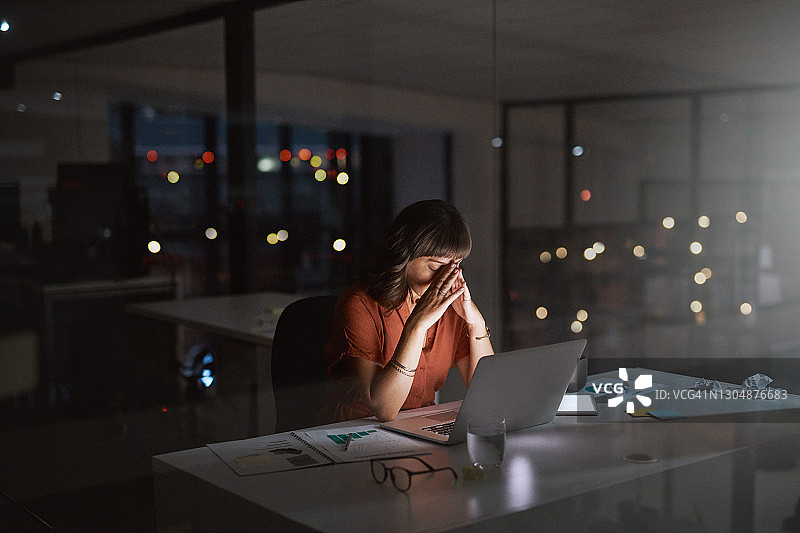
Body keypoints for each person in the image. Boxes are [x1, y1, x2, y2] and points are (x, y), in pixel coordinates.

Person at [319, 199, 494, 423]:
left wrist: (475, 322)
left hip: (415, 427)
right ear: (405, 255)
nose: (446, 278)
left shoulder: (451, 308)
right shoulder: (359, 304)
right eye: (435, 267)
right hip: (353, 432)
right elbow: (384, 409)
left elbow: (487, 393)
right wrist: (418, 324)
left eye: (456, 265)